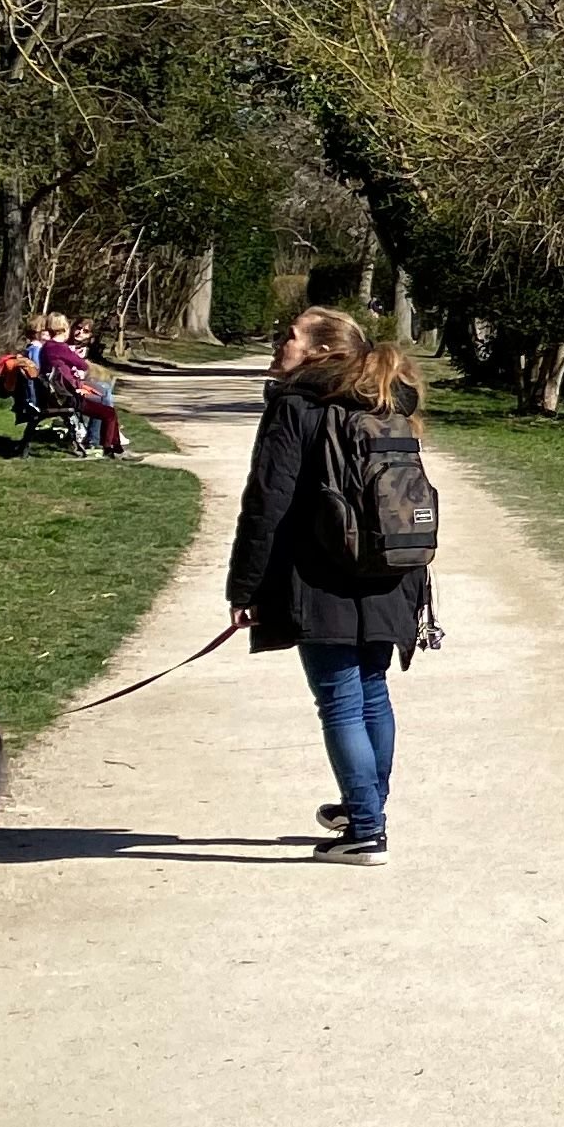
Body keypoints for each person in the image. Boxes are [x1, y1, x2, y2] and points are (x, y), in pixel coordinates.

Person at [225, 307, 432, 859]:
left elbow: (267, 503)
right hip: (392, 567)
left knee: (341, 702)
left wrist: (245, 590)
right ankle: (366, 805)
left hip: (319, 574)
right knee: (371, 692)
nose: (277, 344)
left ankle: (366, 829)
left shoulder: (297, 404)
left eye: (287, 337)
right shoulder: (389, 398)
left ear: (318, 352)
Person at [31, 312, 128, 457]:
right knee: (108, 408)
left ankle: (113, 447)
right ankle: (101, 445)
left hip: (60, 394)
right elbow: (82, 365)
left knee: (105, 400)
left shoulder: (47, 347)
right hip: (70, 396)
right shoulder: (60, 347)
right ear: (64, 328)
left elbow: (60, 369)